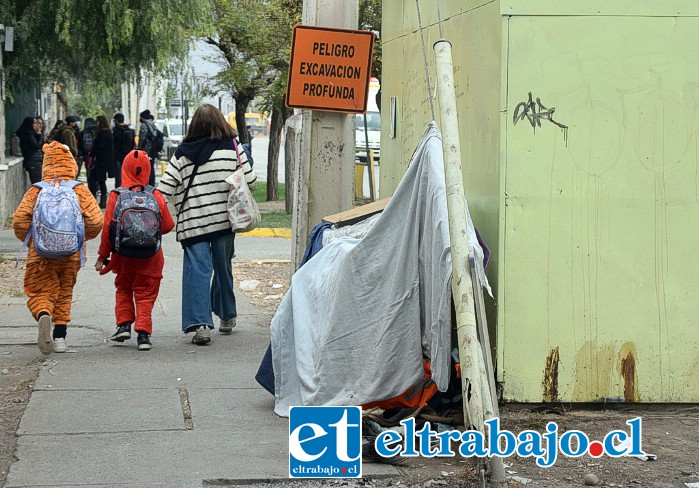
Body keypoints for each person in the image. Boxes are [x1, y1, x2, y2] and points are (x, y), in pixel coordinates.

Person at [157, 103, 255, 345]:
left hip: (193, 224)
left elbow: (163, 189)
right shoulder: (233, 147)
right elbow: (250, 181)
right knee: (223, 268)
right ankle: (227, 317)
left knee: (198, 271)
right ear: (221, 121)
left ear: (194, 125)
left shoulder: (182, 152)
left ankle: (200, 325)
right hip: (225, 221)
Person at [12, 141, 103, 354]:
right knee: (65, 291)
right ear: (71, 164)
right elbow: (96, 221)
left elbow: (19, 221)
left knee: (39, 289)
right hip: (71, 252)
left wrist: (32, 239)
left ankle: (43, 313)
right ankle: (60, 336)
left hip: (40, 253)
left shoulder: (36, 190)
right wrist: (82, 238)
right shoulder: (79, 190)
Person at [94, 150, 175, 351]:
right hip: (151, 257)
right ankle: (144, 334)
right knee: (146, 293)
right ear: (147, 170)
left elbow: (108, 230)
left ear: (124, 169)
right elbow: (167, 225)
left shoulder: (116, 196)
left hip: (123, 257)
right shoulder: (155, 195)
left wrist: (102, 257)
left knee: (123, 288)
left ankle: (123, 325)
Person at [89, 115, 115, 208]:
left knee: (97, 180)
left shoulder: (102, 134)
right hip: (104, 161)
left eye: (97, 121)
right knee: (101, 181)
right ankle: (102, 200)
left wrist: (92, 151)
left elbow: (98, 147)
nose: (95, 123)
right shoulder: (109, 133)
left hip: (100, 161)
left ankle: (97, 200)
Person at [16, 117, 44, 183]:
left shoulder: (31, 134)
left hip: (35, 160)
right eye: (34, 123)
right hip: (32, 160)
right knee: (37, 182)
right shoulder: (28, 134)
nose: (36, 125)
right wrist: (40, 135)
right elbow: (37, 146)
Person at [112, 113, 135, 188]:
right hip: (128, 156)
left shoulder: (115, 131)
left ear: (117, 120)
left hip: (118, 156)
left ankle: (118, 190)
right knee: (127, 175)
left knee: (118, 176)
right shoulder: (130, 130)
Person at [137, 109, 159, 186]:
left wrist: (139, 148)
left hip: (146, 150)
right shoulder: (152, 124)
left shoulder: (144, 125)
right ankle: (151, 183)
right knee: (151, 167)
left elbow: (142, 138)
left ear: (142, 117)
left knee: (144, 166)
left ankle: (145, 183)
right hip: (153, 149)